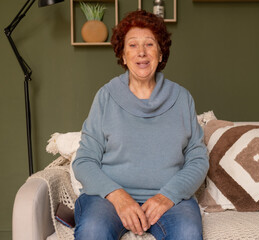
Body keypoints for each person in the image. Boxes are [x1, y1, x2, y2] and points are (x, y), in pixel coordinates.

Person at [72, 10, 209, 240]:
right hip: (109, 200)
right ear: (123, 56)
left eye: (149, 44)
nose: (142, 53)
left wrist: (167, 196)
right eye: (133, 45)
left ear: (160, 53)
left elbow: (198, 159)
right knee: (92, 231)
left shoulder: (182, 98)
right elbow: (84, 161)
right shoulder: (106, 97)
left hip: (169, 200)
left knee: (188, 232)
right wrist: (118, 196)